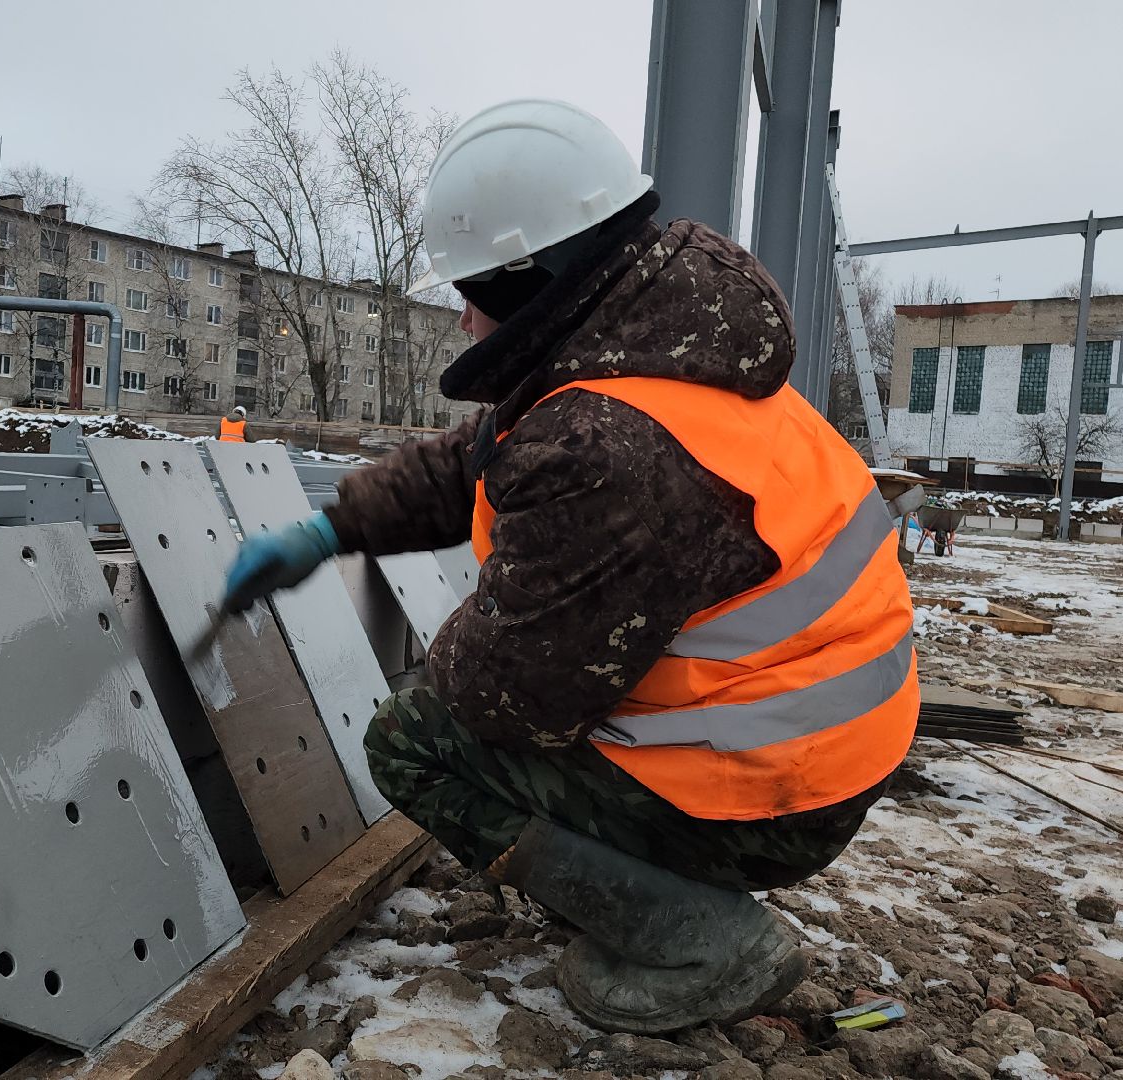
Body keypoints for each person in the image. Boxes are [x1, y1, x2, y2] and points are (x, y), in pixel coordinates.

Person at [222, 99, 917, 1034]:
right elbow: (477, 458)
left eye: (471, 289)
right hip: (826, 739)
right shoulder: (659, 351)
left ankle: (701, 940)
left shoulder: (609, 448)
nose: (464, 315)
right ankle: (668, 880)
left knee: (416, 740)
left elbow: (510, 698)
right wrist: (330, 532)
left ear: (529, 274)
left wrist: (479, 615)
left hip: (783, 791)